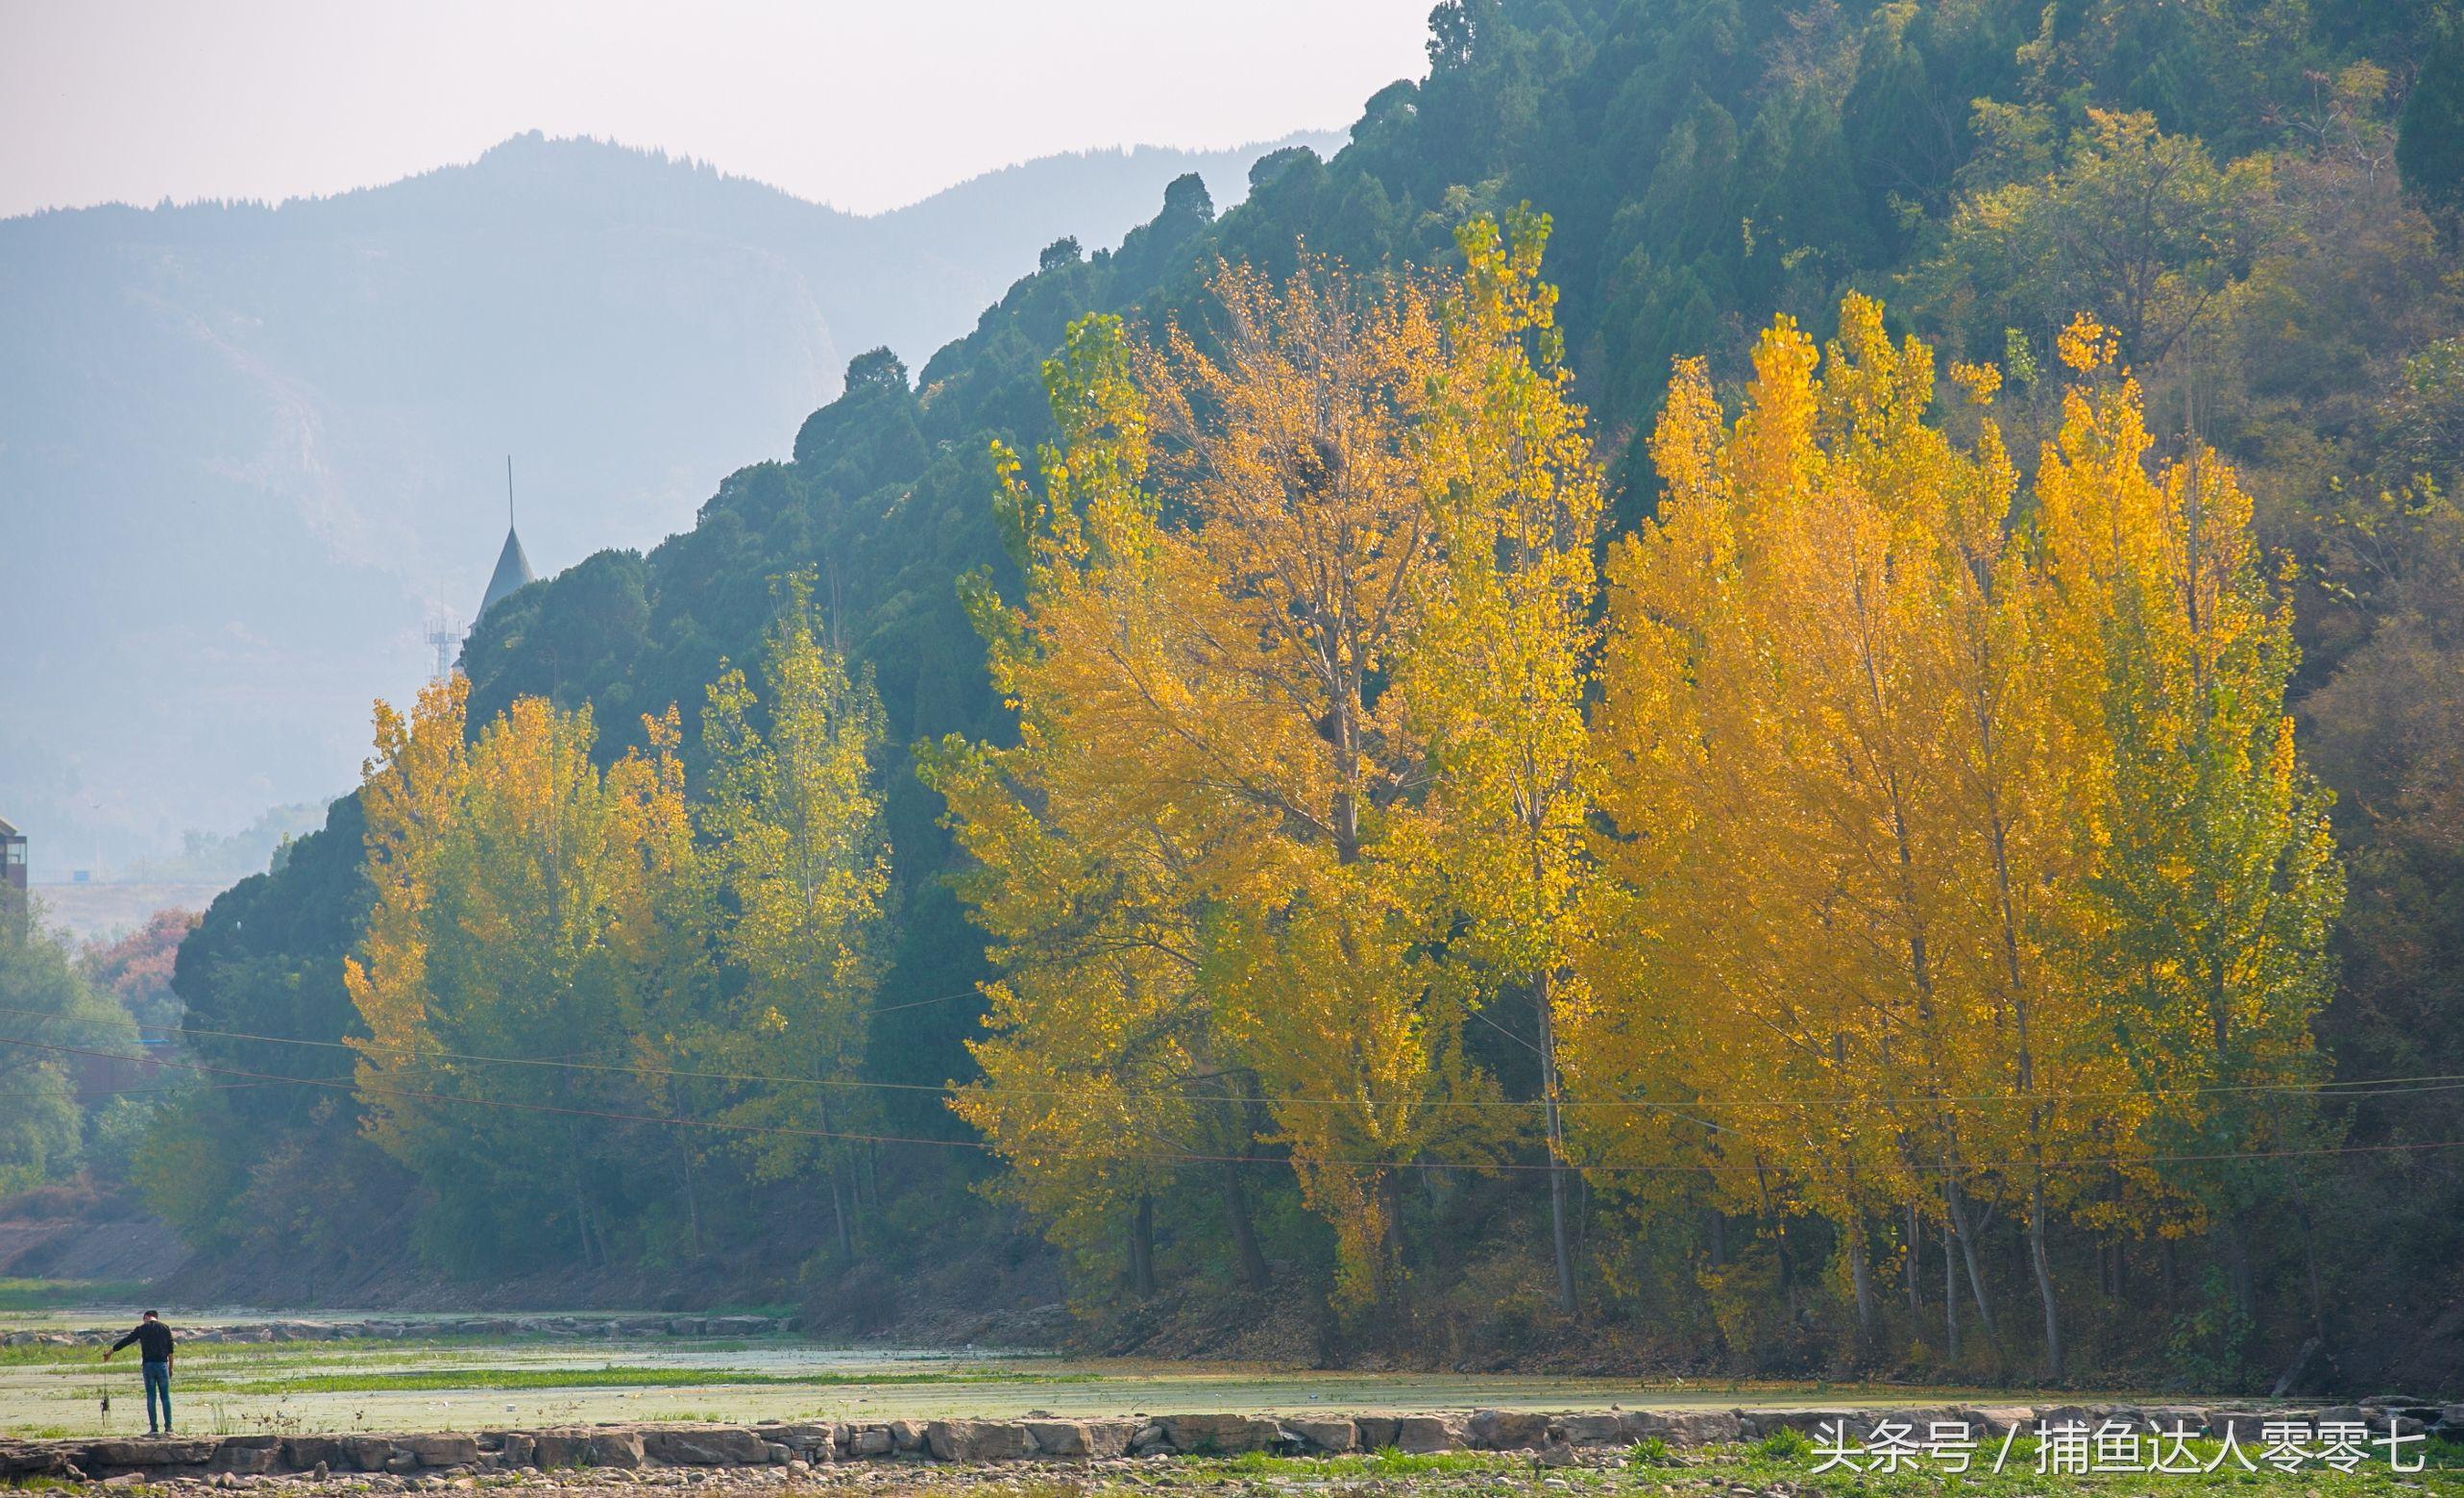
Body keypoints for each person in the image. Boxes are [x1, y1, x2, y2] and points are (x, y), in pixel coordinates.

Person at [102, 1310, 176, 1434]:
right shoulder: (165, 1328)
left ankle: (154, 1429)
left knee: (151, 1396)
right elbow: (171, 1350)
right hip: (162, 1365)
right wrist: (171, 1367)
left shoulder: (142, 1328)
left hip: (148, 1366)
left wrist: (111, 1351)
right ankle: (168, 1428)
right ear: (156, 1318)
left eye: (144, 1319)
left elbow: (127, 1340)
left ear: (146, 1317)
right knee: (165, 1397)